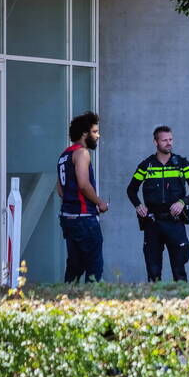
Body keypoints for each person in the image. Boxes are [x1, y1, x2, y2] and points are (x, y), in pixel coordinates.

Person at [126, 126, 189, 281]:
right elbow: (131, 190)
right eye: (164, 140)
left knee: (179, 272)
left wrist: (183, 202)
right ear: (155, 142)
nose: (168, 143)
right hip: (152, 223)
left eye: (170, 140)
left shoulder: (181, 164)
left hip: (175, 223)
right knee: (153, 273)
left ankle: (182, 304)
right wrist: (138, 205)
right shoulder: (146, 165)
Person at [57, 111, 107, 283]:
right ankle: (91, 303)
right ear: (85, 133)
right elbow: (84, 185)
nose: (98, 135)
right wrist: (100, 203)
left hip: (67, 218)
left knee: (74, 267)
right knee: (94, 268)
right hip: (84, 218)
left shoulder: (64, 155)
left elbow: (61, 190)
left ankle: (68, 301)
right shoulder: (82, 153)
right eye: (94, 131)